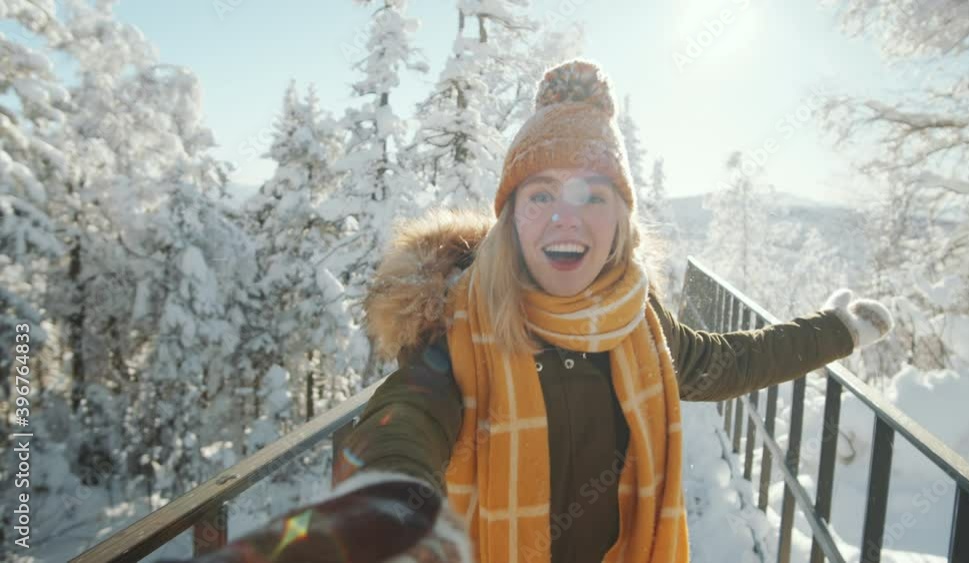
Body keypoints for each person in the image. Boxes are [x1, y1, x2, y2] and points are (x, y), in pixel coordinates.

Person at [168, 59, 892, 563]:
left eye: (591, 194)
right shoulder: (462, 325)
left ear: (622, 221)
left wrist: (836, 330)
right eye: (540, 193)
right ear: (511, 216)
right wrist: (387, 494)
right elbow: (407, 411)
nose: (563, 219)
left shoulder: (640, 323)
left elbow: (727, 361)